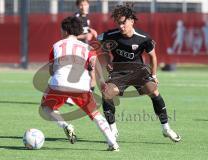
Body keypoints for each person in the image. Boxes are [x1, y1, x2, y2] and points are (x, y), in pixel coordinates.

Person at [97, 3, 181, 142]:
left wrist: (154, 76)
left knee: (153, 91)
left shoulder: (143, 38)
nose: (121, 26)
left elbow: (153, 56)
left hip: (138, 71)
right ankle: (113, 129)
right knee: (107, 93)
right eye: (118, 23)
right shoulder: (110, 35)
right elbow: (102, 46)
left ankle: (166, 128)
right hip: (119, 72)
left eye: (123, 23)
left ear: (131, 20)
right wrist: (107, 62)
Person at [40, 16, 119, 151]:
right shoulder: (87, 47)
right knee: (95, 114)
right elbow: (93, 65)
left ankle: (65, 125)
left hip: (59, 83)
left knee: (46, 106)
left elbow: (52, 71)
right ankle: (113, 143)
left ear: (65, 31)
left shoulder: (56, 45)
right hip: (81, 86)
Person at [65, 0, 97, 106]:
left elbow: (86, 31)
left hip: (85, 49)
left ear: (88, 5)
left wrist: (91, 31)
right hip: (76, 49)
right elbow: (69, 36)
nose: (84, 7)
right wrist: (84, 36)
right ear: (78, 6)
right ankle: (70, 97)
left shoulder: (86, 19)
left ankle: (88, 96)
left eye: (85, 4)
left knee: (92, 72)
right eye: (81, 5)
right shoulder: (76, 18)